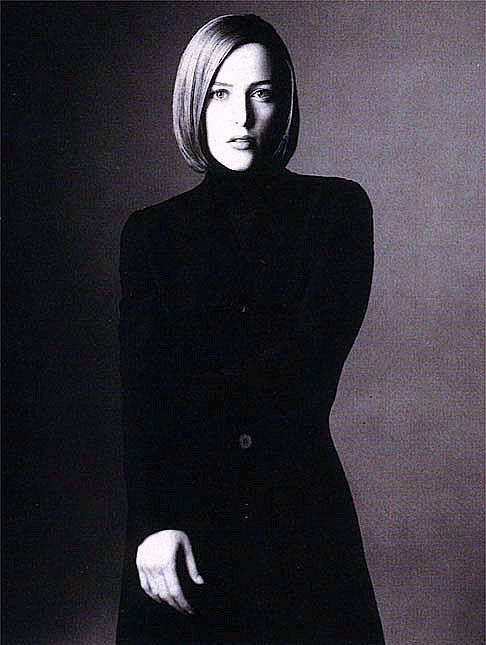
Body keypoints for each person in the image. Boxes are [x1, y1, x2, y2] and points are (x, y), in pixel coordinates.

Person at [116, 13, 385, 645]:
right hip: (182, 525)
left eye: (261, 94)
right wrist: (153, 522)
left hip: (298, 517)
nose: (241, 117)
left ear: (285, 104)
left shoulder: (337, 210)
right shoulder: (151, 234)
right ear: (194, 102)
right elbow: (142, 393)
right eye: (220, 93)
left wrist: (191, 391)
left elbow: (306, 368)